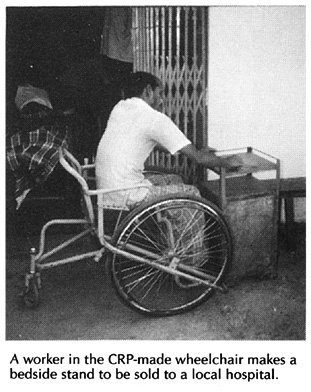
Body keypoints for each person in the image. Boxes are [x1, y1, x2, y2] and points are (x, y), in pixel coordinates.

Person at [95, 71, 241, 208]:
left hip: (107, 191)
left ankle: (168, 231)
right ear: (148, 91)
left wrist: (185, 149)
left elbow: (145, 140)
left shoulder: (120, 108)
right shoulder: (153, 117)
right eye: (160, 93)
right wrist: (228, 162)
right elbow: (198, 159)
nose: (161, 100)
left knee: (175, 180)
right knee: (192, 195)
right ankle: (191, 236)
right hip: (128, 194)